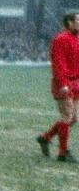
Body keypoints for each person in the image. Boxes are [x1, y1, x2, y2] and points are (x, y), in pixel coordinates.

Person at [37, 11, 79, 163]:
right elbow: (58, 64)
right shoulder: (61, 40)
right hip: (64, 84)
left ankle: (45, 138)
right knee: (67, 117)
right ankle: (63, 153)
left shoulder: (76, 39)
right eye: (78, 20)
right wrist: (63, 84)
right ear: (69, 23)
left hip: (75, 84)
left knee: (73, 119)